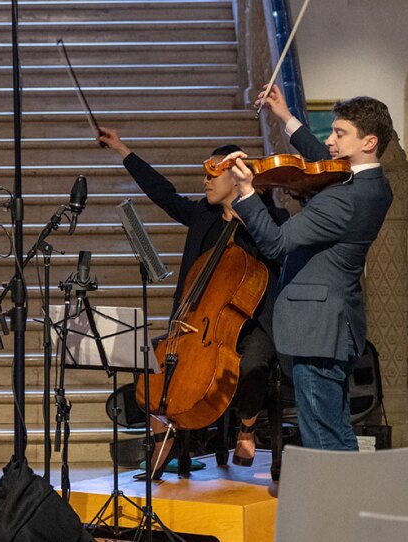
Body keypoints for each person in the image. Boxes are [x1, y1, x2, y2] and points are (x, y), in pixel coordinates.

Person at [98, 127, 287, 477]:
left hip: (253, 320)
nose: (205, 182)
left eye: (212, 174)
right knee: (154, 362)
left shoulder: (270, 220)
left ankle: (247, 426)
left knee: (253, 366)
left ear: (236, 177)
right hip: (200, 323)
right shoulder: (204, 214)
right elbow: (163, 194)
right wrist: (124, 150)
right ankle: (163, 442)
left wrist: (249, 210)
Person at [226, 83, 394, 450]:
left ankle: (336, 507)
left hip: (317, 327)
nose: (330, 141)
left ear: (369, 142)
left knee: (323, 436)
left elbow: (276, 242)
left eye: (340, 133)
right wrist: (285, 117)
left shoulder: (342, 200)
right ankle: (348, 504)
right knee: (334, 428)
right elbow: (324, 163)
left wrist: (247, 192)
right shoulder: (374, 185)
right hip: (336, 321)